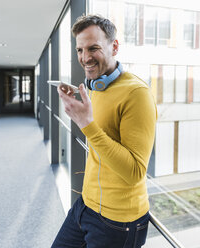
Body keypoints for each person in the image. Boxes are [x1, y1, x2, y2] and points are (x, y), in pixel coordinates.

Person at [51, 14, 157, 248]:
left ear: (115, 46)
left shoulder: (137, 94)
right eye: (80, 50)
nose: (85, 57)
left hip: (118, 223)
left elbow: (135, 172)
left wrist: (87, 125)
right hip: (85, 205)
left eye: (93, 48)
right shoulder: (96, 87)